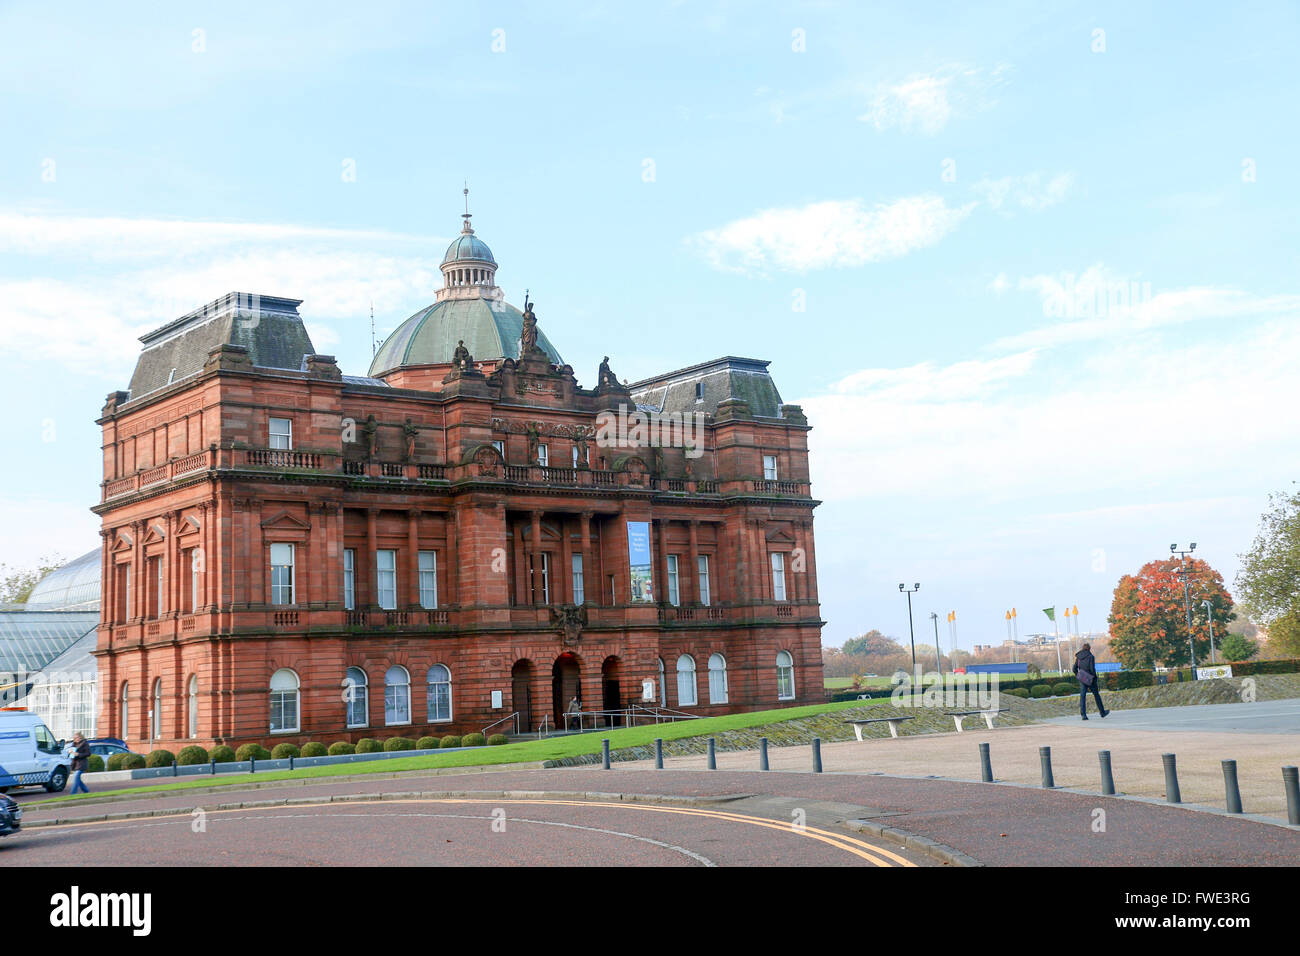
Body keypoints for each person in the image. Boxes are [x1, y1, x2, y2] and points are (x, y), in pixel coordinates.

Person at [1072, 643, 1109, 720]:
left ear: (1083, 648)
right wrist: (1094, 677)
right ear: (1089, 649)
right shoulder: (1090, 657)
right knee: (1096, 695)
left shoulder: (1078, 657)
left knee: (1082, 696)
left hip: (1082, 678)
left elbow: (1074, 668)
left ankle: (1083, 715)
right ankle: (1102, 712)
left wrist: (1078, 675)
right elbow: (1092, 669)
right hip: (1090, 678)